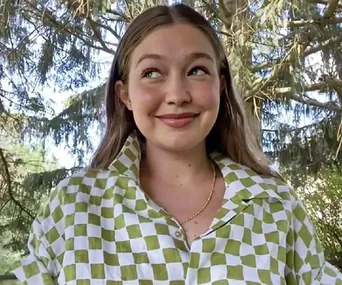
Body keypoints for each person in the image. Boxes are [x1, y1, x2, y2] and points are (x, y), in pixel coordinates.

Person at [13, 3, 342, 285]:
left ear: (221, 86)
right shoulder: (73, 208)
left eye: (197, 70)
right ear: (124, 94)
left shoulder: (276, 206)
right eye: (152, 73)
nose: (178, 95)